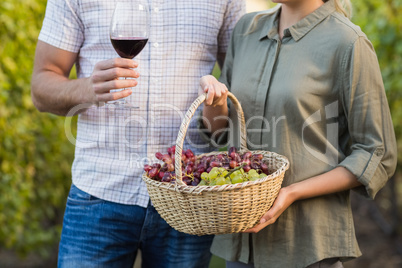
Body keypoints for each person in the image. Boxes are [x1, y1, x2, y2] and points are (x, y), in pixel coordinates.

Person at [31, 0, 245, 267]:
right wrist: (88, 90)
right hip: (99, 193)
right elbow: (41, 86)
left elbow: (240, 78)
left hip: (188, 196)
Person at [199, 0, 397, 267]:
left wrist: (291, 193)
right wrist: (215, 102)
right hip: (242, 242)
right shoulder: (246, 30)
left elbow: (376, 153)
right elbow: (218, 133)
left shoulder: (348, 43)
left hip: (306, 244)